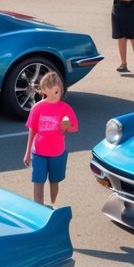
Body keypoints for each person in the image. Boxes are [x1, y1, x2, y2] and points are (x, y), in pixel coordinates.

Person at [23, 71, 78, 206]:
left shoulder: (65, 108)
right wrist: (27, 153)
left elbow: (74, 128)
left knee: (54, 181)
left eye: (57, 92)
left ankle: (53, 205)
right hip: (39, 152)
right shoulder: (37, 108)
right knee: (38, 181)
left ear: (61, 90)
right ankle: (39, 208)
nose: (54, 97)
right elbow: (33, 130)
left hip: (57, 152)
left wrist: (68, 126)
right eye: (50, 93)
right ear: (42, 91)